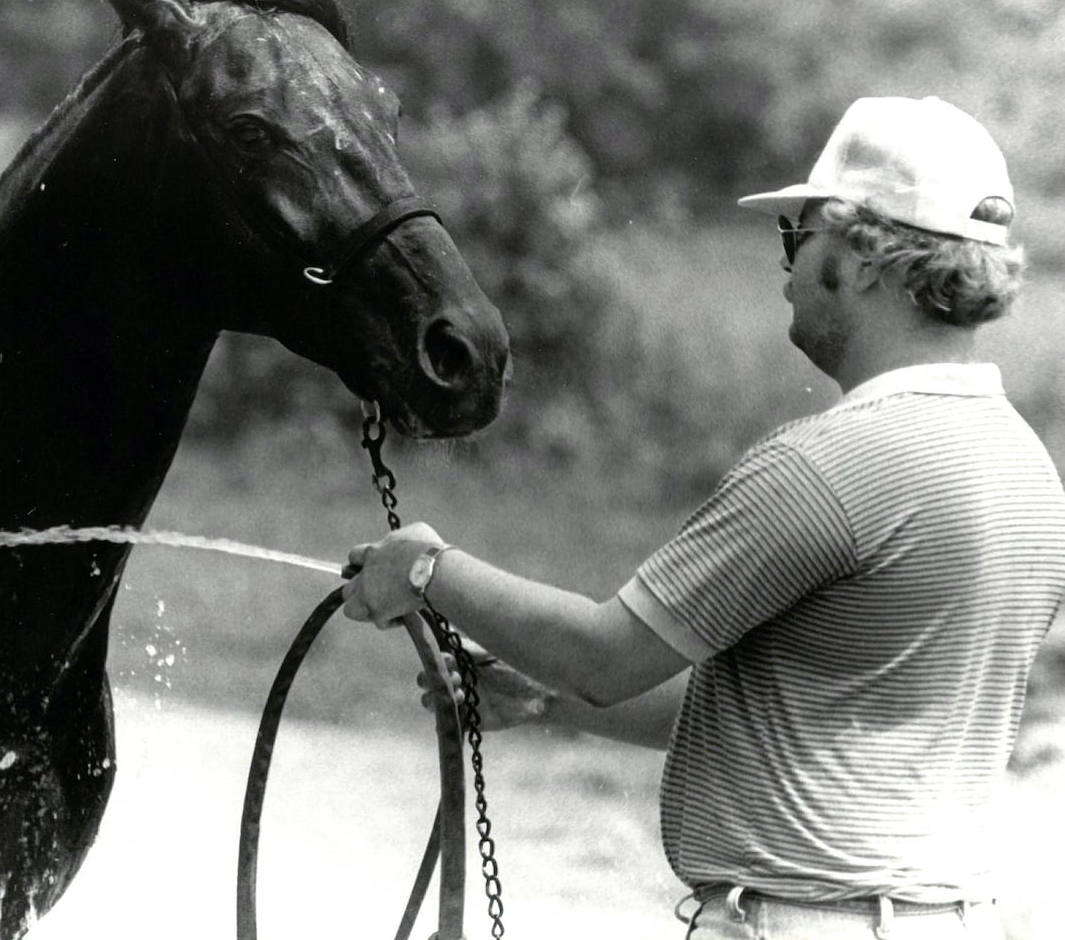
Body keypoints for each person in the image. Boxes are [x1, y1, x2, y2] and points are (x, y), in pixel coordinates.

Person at [340, 95, 1065, 939]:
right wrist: (548, 702)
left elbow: (606, 655)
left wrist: (427, 566)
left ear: (865, 260)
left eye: (797, 239)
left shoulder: (824, 466)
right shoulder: (1026, 472)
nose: (785, 271)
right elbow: (795, 708)